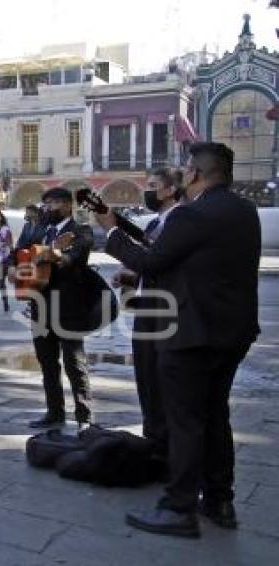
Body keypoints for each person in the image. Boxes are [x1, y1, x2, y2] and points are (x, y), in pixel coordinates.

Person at [97, 142, 260, 538]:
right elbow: (198, 267)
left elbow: (151, 262)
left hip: (191, 333)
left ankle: (178, 507)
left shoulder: (192, 214)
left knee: (184, 420)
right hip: (232, 331)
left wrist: (112, 232)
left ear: (195, 175)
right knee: (215, 414)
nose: (184, 174)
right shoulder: (245, 212)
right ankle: (220, 499)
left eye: (188, 169)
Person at [111, 168, 182, 467]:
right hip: (148, 308)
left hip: (165, 313)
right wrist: (130, 278)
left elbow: (160, 265)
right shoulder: (155, 222)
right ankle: (153, 438)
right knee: (146, 377)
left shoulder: (180, 220)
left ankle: (165, 448)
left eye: (152, 186)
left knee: (160, 381)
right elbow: (151, 267)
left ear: (170, 189)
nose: (147, 191)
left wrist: (114, 231)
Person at [9, 187, 94, 430]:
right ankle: (54, 412)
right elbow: (16, 253)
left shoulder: (79, 231)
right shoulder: (37, 230)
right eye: (45, 204)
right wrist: (13, 267)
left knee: (74, 363)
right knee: (47, 361)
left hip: (69, 305)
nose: (47, 208)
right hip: (39, 304)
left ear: (68, 205)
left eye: (54, 203)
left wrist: (56, 254)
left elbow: (73, 258)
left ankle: (84, 417)